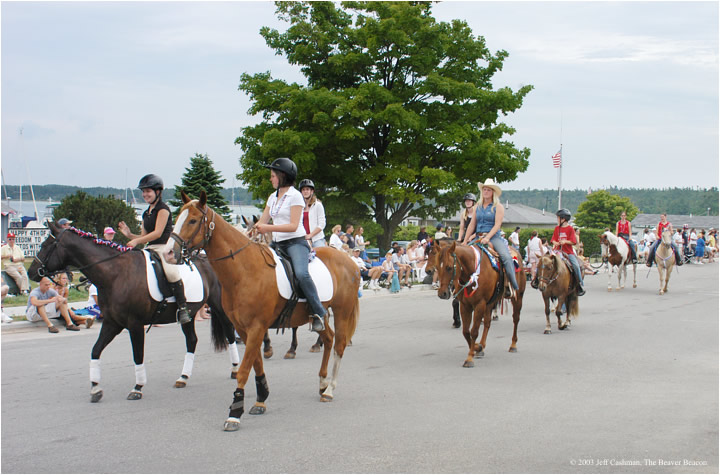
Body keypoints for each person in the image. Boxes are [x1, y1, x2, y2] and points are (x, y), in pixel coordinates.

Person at [255, 157, 326, 332]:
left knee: (301, 274)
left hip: (296, 243)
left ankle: (318, 312)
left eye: (273, 175)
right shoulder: (272, 197)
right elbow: (262, 221)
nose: (271, 179)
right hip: (276, 244)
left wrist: (267, 227)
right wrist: (252, 231)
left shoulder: (295, 196)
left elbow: (293, 225)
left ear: (282, 176)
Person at [118, 174, 191, 325]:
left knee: (171, 272)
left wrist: (137, 240)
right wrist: (129, 234)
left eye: (148, 191)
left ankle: (183, 307)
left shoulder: (163, 209)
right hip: (149, 247)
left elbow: (157, 233)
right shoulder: (146, 213)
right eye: (143, 192)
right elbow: (145, 235)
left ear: (158, 192)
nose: (145, 195)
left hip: (163, 247)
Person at [462, 178, 519, 298]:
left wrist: (488, 238)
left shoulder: (498, 206)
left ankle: (513, 284)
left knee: (506, 257)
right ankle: (459, 285)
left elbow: (497, 224)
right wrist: (465, 240)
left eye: (488, 190)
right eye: (484, 189)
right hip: (478, 236)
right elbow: (472, 224)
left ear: (493, 192)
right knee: (462, 255)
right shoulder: (477, 206)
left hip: (494, 237)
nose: (485, 192)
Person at [551, 208, 585, 296]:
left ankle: (579, 284)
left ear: (563, 219)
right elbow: (553, 240)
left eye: (558, 218)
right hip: (557, 251)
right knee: (545, 262)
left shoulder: (570, 229)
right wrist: (556, 242)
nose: (557, 220)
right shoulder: (557, 228)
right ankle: (538, 280)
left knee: (576, 266)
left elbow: (573, 241)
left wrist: (565, 241)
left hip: (568, 252)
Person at [298, 179, 327, 248]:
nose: (305, 191)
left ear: (312, 191)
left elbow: (322, 224)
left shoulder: (318, 205)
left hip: (316, 239)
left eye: (307, 189)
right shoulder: (299, 206)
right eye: (303, 190)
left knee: (320, 254)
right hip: (302, 238)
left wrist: (310, 235)